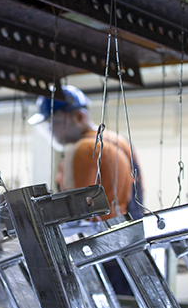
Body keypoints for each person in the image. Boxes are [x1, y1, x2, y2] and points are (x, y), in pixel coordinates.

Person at [29, 85, 143, 294]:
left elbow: (74, 212)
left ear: (78, 117)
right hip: (130, 242)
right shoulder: (117, 140)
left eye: (53, 124)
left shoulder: (83, 149)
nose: (51, 132)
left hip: (102, 252)